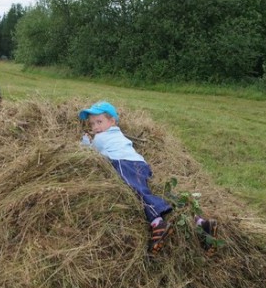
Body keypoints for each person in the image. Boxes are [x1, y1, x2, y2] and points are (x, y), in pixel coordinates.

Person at [79, 101, 218, 255]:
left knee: (138, 192)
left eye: (99, 122)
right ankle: (200, 222)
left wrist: (85, 142)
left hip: (124, 163)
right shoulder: (118, 133)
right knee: (159, 193)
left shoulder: (100, 139)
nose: (96, 127)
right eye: (92, 124)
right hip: (141, 164)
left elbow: (90, 154)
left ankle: (157, 223)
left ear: (112, 121)